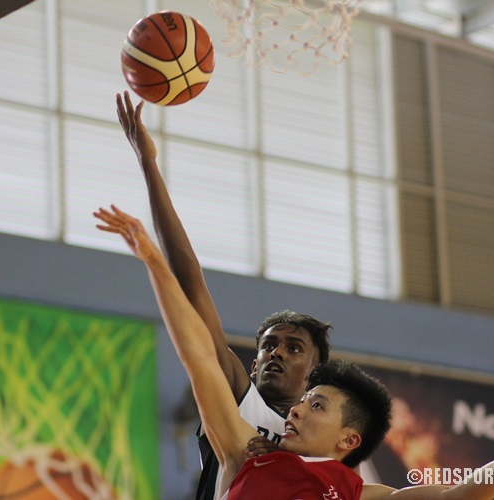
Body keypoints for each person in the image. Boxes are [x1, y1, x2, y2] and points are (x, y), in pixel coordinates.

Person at [94, 205, 494, 499]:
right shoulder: (246, 455)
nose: (296, 410)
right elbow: (197, 355)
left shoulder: (359, 494)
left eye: (315, 405)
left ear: (348, 440)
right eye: (303, 402)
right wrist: (155, 264)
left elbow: (458, 497)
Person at [116, 91, 332, 499]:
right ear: (252, 366)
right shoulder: (242, 402)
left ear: (315, 376)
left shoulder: (328, 453)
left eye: (293, 348)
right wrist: (149, 164)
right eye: (268, 347)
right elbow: (190, 281)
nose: (277, 354)